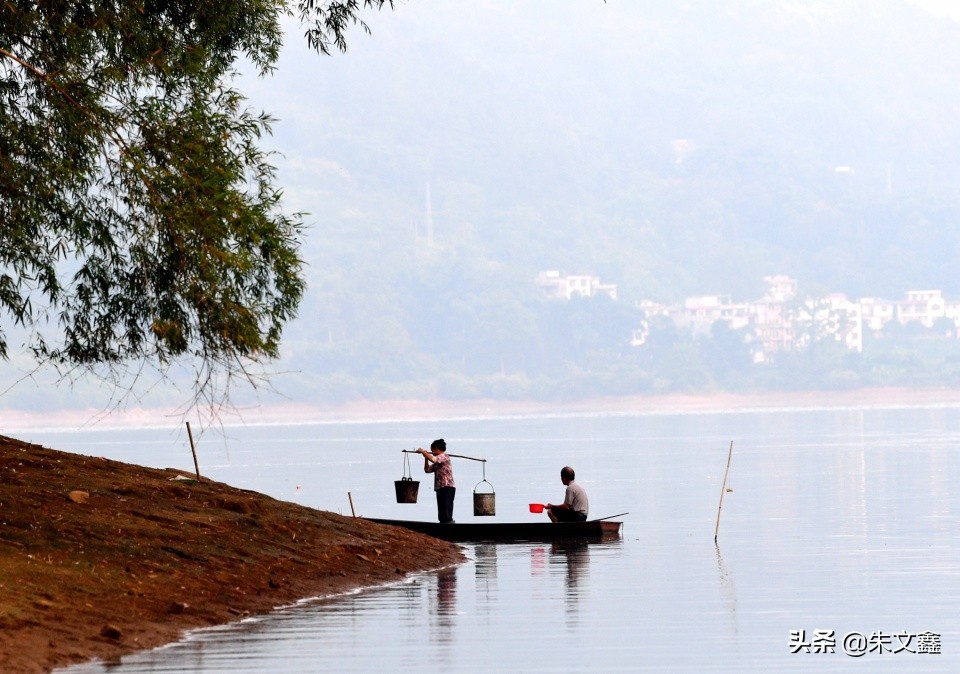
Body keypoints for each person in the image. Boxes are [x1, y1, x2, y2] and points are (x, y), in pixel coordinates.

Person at [417, 439, 455, 523]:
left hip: (447, 486)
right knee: (441, 509)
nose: (432, 452)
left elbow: (434, 459)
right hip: (440, 487)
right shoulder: (437, 461)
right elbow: (427, 470)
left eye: (432, 450)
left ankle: (449, 523)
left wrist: (424, 452)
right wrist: (426, 458)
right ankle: (443, 522)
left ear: (437, 448)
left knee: (446, 508)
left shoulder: (444, 456)